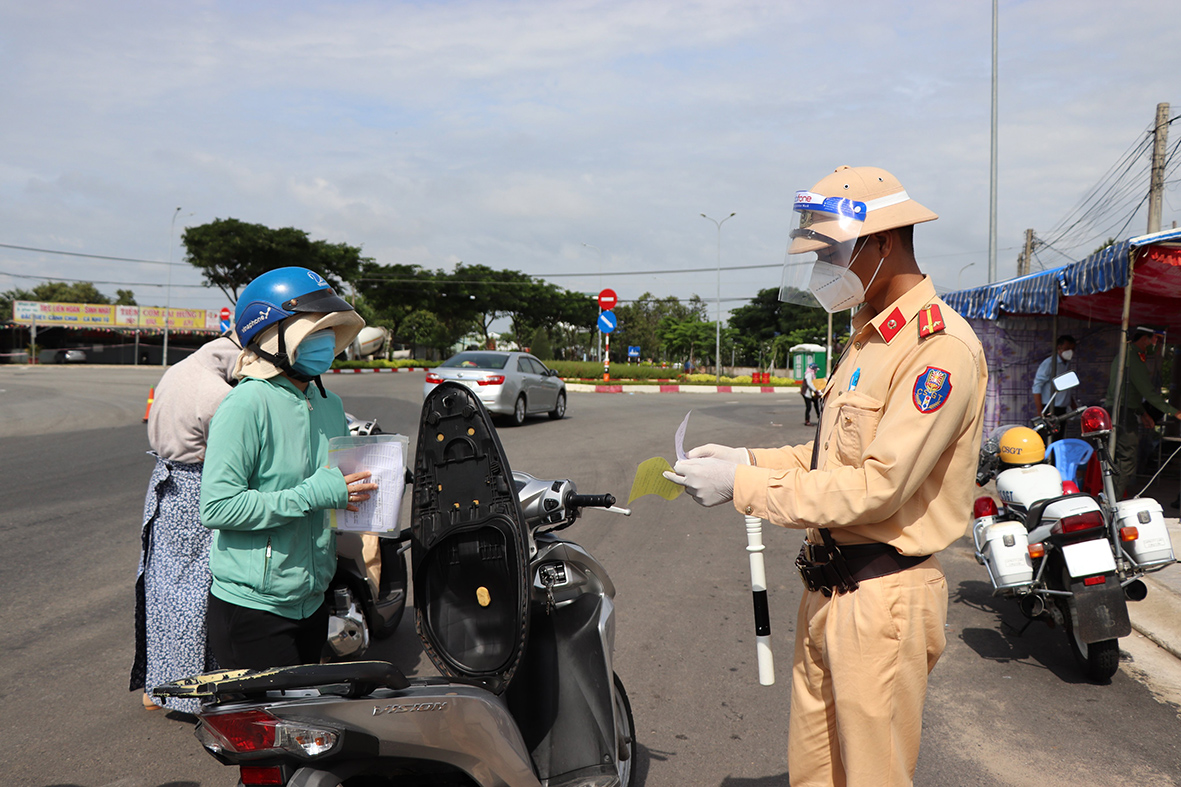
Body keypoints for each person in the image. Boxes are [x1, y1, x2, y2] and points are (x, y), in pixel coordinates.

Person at [665, 166, 987, 786]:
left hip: (881, 597)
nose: (822, 270)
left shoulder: (937, 347)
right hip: (829, 592)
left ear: (882, 243)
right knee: (815, 773)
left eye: (831, 252)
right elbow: (830, 459)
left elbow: (876, 486)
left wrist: (742, 490)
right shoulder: (868, 340)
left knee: (870, 777)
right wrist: (744, 459)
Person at [200, 267, 377, 670]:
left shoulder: (328, 402)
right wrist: (313, 495)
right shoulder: (246, 405)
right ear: (271, 336)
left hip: (312, 598)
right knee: (269, 728)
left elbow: (327, 486)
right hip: (255, 610)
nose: (326, 342)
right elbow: (217, 507)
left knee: (307, 721)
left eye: (330, 332)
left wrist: (353, 492)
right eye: (314, 331)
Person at [131, 334, 240, 713]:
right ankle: (192, 694)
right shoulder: (219, 394)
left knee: (163, 592)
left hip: (165, 490)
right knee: (199, 594)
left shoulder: (176, 372)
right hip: (200, 490)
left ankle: (156, 688)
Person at [1105, 325, 1177, 499]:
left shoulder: (1127, 355)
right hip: (1122, 414)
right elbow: (1148, 392)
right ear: (1145, 339)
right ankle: (1112, 501)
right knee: (1127, 458)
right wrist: (1174, 412)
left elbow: (1129, 393)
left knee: (1119, 458)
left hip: (1120, 410)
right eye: (1156, 340)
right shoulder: (1133, 359)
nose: (1157, 345)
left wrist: (1143, 414)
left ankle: (1111, 498)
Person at [1031, 334, 1076, 416]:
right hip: (1050, 407)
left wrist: (1073, 405)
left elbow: (1065, 388)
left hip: (1063, 408)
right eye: (1067, 349)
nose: (1070, 352)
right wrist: (1040, 412)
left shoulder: (1067, 364)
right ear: (1059, 348)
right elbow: (1037, 387)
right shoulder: (1049, 363)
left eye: (1072, 349)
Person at [800, 362, 821, 426]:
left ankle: (819, 417)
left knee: (816, 404)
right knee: (808, 407)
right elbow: (809, 383)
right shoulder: (809, 374)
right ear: (813, 369)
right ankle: (807, 421)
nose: (816, 371)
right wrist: (815, 390)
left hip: (810, 393)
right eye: (815, 370)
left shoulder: (811, 374)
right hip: (806, 393)